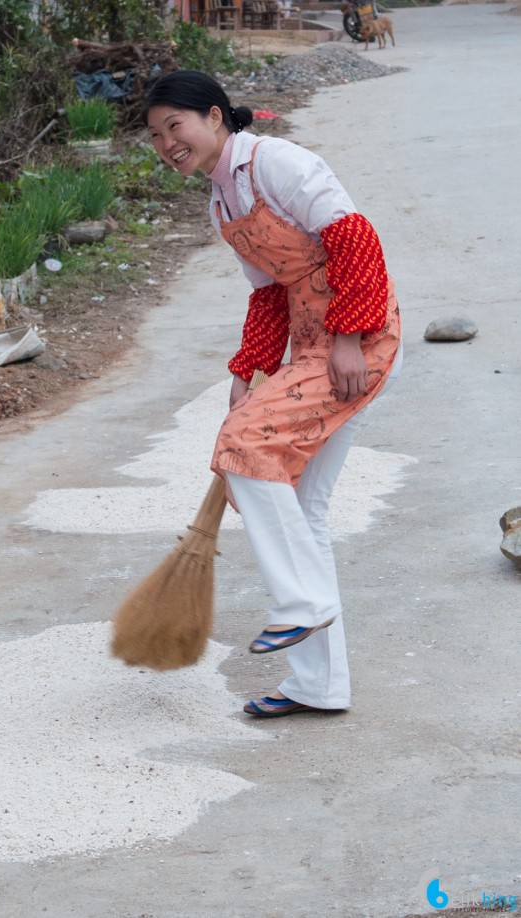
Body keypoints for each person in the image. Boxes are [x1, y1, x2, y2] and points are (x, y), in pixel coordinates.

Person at [143, 70, 402, 718]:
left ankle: (301, 604)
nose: (167, 142)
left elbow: (353, 235)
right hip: (311, 344)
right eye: (154, 135)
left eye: (175, 126)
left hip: (356, 336)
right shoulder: (222, 202)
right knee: (305, 508)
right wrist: (247, 372)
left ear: (213, 117)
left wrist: (347, 336)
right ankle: (319, 686)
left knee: (244, 443)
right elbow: (267, 295)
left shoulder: (274, 163)